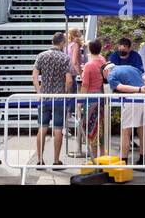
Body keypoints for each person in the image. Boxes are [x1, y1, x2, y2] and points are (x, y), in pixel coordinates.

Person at [32, 32, 73, 167]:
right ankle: (56, 160)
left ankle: (40, 160)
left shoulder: (41, 56)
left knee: (42, 128)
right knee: (57, 128)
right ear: (62, 43)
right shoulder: (65, 58)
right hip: (59, 98)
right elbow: (68, 80)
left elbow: (35, 75)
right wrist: (66, 93)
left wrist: (39, 92)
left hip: (45, 97)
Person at [107, 61, 145, 165]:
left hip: (133, 99)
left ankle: (124, 163)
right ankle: (142, 161)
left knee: (126, 132)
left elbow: (119, 87)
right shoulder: (131, 67)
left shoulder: (111, 74)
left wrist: (139, 90)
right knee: (143, 131)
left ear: (106, 71)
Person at [80, 39, 107, 157]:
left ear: (90, 50)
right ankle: (102, 156)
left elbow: (85, 85)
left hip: (91, 99)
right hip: (101, 96)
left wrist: (80, 101)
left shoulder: (88, 65)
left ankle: (94, 159)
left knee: (92, 130)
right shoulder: (102, 61)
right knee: (100, 128)